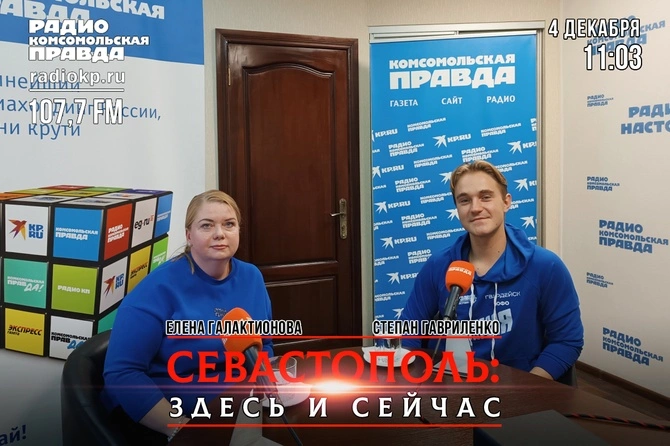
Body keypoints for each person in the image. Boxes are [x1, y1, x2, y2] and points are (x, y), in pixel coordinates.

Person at [102, 190, 274, 443]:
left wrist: (265, 390)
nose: (220, 233)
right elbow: (122, 373)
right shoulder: (156, 289)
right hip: (173, 420)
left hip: (241, 410)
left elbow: (264, 345)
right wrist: (181, 429)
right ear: (189, 235)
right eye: (207, 225)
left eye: (229, 224)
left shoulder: (252, 277)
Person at [401, 160, 583, 380]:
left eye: (485, 197)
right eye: (464, 200)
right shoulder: (438, 266)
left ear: (506, 202)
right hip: (451, 386)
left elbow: (566, 341)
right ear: (457, 209)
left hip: (520, 389)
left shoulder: (546, 266)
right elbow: (408, 330)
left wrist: (529, 389)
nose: (475, 208)